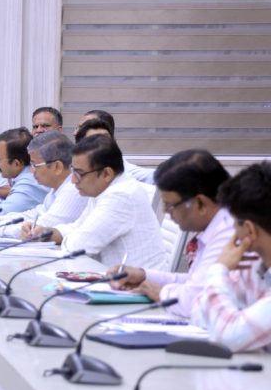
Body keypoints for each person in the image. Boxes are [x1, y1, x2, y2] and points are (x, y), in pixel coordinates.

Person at [107, 149, 233, 318]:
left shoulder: (230, 232)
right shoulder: (220, 224)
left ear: (200, 203)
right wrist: (144, 276)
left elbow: (194, 301)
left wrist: (161, 292)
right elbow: (195, 282)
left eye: (170, 205)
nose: (166, 211)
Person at [35, 135, 169, 270]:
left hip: (137, 281)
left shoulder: (120, 196)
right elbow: (79, 226)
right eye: (73, 172)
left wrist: (65, 238)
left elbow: (79, 246)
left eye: (79, 174)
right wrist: (51, 233)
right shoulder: (102, 189)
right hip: (114, 275)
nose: (73, 180)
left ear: (106, 174)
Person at [191, 162, 271, 352]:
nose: (231, 230)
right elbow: (198, 312)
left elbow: (230, 336)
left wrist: (218, 269)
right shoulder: (256, 265)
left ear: (249, 229)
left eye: (233, 222)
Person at [0, 131, 87, 237]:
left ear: (57, 167)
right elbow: (35, 214)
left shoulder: (73, 190)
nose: (31, 170)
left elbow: (40, 227)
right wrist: (0, 219)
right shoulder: (57, 189)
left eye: (35, 165)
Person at [74, 110, 154, 184]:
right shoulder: (74, 171)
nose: (75, 133)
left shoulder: (135, 177)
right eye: (78, 127)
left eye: (83, 127)